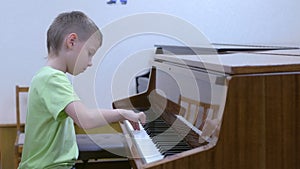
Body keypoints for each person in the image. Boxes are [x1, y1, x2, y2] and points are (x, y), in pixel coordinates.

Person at [18, 11, 146, 169]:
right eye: (90, 53)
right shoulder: (52, 78)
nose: (90, 62)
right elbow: (86, 119)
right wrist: (121, 113)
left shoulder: (47, 77)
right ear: (71, 41)